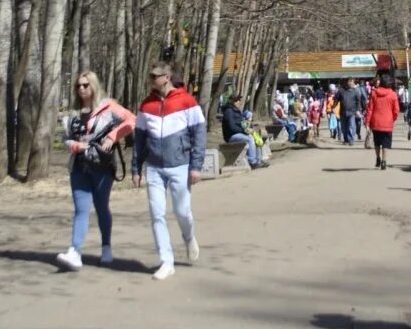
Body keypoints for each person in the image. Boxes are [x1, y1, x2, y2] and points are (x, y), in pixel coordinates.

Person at [56, 71, 136, 271]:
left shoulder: (109, 107)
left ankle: (106, 247)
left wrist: (112, 137)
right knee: (81, 210)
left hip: (102, 166)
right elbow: (65, 138)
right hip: (79, 167)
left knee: (101, 208)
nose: (81, 89)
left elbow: (132, 120)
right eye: (78, 86)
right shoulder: (73, 113)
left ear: (93, 86)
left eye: (85, 85)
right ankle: (75, 252)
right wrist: (73, 145)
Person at [133, 62, 206, 281]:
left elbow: (199, 136)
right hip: (154, 168)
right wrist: (136, 169)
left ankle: (188, 236)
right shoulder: (146, 105)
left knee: (182, 212)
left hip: (180, 166)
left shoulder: (187, 101)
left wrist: (196, 166)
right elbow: (139, 140)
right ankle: (167, 261)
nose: (151, 79)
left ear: (166, 77)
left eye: (155, 76)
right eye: (150, 75)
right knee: (157, 214)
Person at [365, 73, 402, 170]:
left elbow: (370, 109)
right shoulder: (393, 95)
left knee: (377, 142)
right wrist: (392, 119)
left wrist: (367, 123)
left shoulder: (374, 93)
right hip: (387, 123)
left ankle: (378, 158)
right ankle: (384, 161)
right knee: (386, 143)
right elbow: (396, 110)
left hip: (376, 122)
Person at [221, 94, 267, 169]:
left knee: (256, 137)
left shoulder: (237, 111)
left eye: (239, 100)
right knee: (249, 139)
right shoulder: (228, 112)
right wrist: (245, 131)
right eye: (236, 100)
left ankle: (259, 161)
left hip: (239, 133)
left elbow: (243, 124)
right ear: (231, 101)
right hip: (231, 136)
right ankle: (252, 162)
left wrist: (249, 128)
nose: (238, 102)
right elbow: (232, 128)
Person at [337, 78, 363, 146]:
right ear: (347, 82)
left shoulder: (355, 91)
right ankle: (346, 140)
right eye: (350, 82)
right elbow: (336, 99)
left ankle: (351, 140)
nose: (351, 83)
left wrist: (357, 110)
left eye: (352, 82)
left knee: (351, 126)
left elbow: (358, 101)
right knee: (344, 128)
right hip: (343, 112)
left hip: (352, 112)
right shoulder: (341, 91)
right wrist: (333, 107)